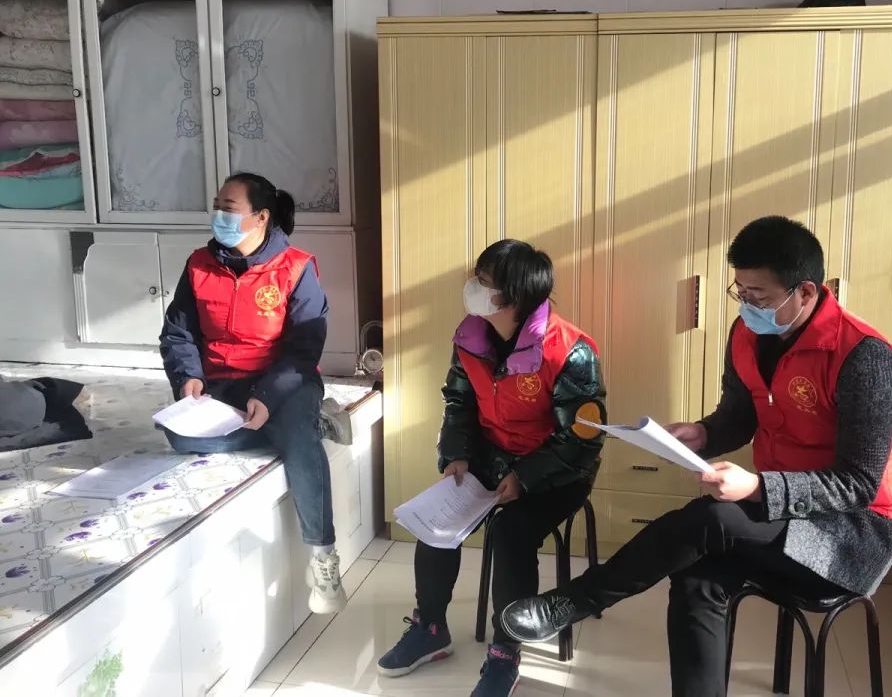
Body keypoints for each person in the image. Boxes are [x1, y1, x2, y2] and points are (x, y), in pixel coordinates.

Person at [500, 216, 892, 697]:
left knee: (710, 519)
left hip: (853, 533)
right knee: (696, 576)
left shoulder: (865, 358)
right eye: (741, 291)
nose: (748, 304)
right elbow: (739, 416)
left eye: (760, 295)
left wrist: (756, 487)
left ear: (804, 291)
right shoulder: (748, 335)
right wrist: (702, 434)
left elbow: (857, 484)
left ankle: (573, 602)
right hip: (779, 516)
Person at [377, 239, 606, 697]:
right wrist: (456, 454)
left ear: (515, 296)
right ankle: (431, 627)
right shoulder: (472, 337)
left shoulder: (570, 351)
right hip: (490, 457)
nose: (474, 288)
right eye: (477, 278)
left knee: (511, 532)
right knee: (436, 518)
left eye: (484, 282)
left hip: (558, 472)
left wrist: (525, 478)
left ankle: (505, 652)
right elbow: (458, 402)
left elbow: (582, 440)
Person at [158, 172, 346, 614]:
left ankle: (323, 554)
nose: (218, 216)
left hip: (285, 380)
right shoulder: (199, 264)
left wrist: (268, 396)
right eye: (217, 206)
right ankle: (289, 427)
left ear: (261, 217)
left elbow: (304, 348)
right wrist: (189, 378)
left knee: (299, 441)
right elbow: (177, 333)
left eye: (229, 208)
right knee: (179, 436)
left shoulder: (296, 267)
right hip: (222, 383)